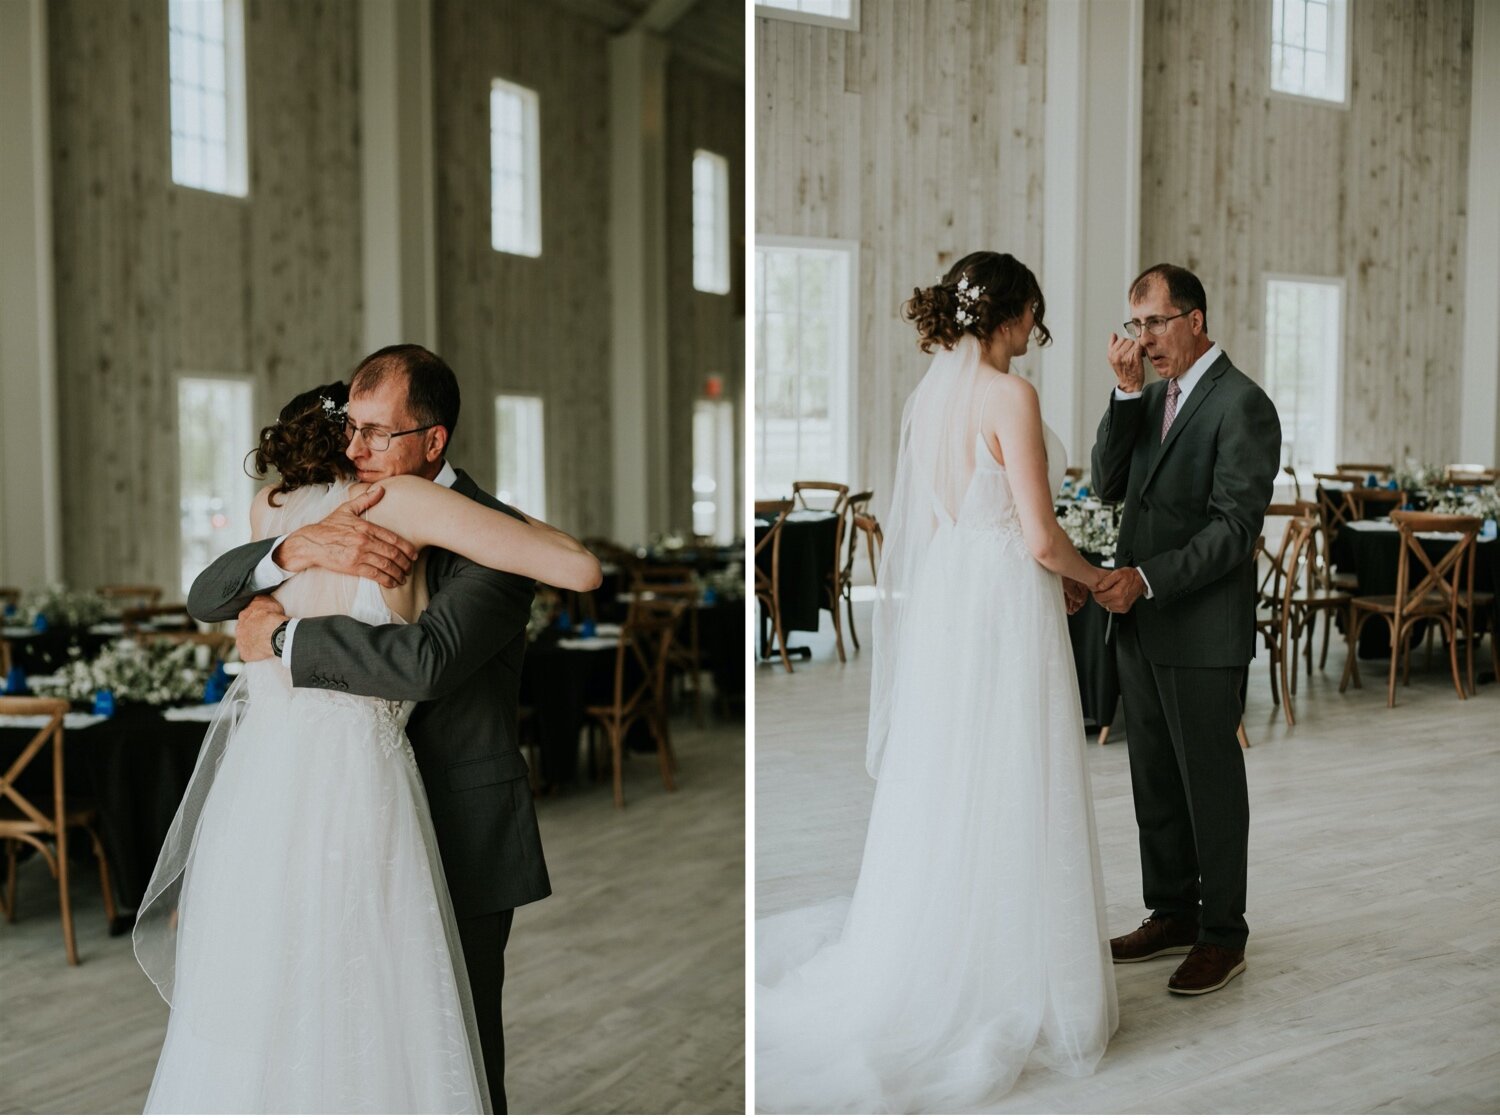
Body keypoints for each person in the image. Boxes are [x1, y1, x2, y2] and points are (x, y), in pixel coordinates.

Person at [142, 350, 600, 1111]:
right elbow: (206, 590)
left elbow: (427, 663)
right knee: (313, 1024)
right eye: (351, 430)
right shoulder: (305, 516)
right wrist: (290, 550)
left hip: (454, 822)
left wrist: (280, 639)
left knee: (455, 1049)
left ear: (433, 441)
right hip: (318, 809)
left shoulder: (478, 530)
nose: (359, 451)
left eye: (377, 434)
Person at [756, 252, 1118, 1113]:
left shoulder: (932, 397)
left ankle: (941, 941)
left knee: (955, 774)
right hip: (1004, 600)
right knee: (1015, 772)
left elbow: (957, 517)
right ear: (1013, 312)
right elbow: (1038, 537)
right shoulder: (1011, 397)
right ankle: (1013, 974)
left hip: (959, 590)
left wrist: (1056, 566)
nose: (1038, 329)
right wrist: (1094, 577)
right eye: (1034, 314)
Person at [1090, 263, 1280, 996]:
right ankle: (1171, 910)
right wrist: (1126, 395)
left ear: (1195, 319)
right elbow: (1109, 483)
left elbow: (1234, 529)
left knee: (1210, 785)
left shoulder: (1243, 405)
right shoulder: (1151, 394)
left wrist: (1147, 579)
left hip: (1199, 625)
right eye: (1135, 325)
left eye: (1157, 323)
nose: (1144, 339)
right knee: (1155, 780)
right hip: (1138, 624)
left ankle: (1222, 934)